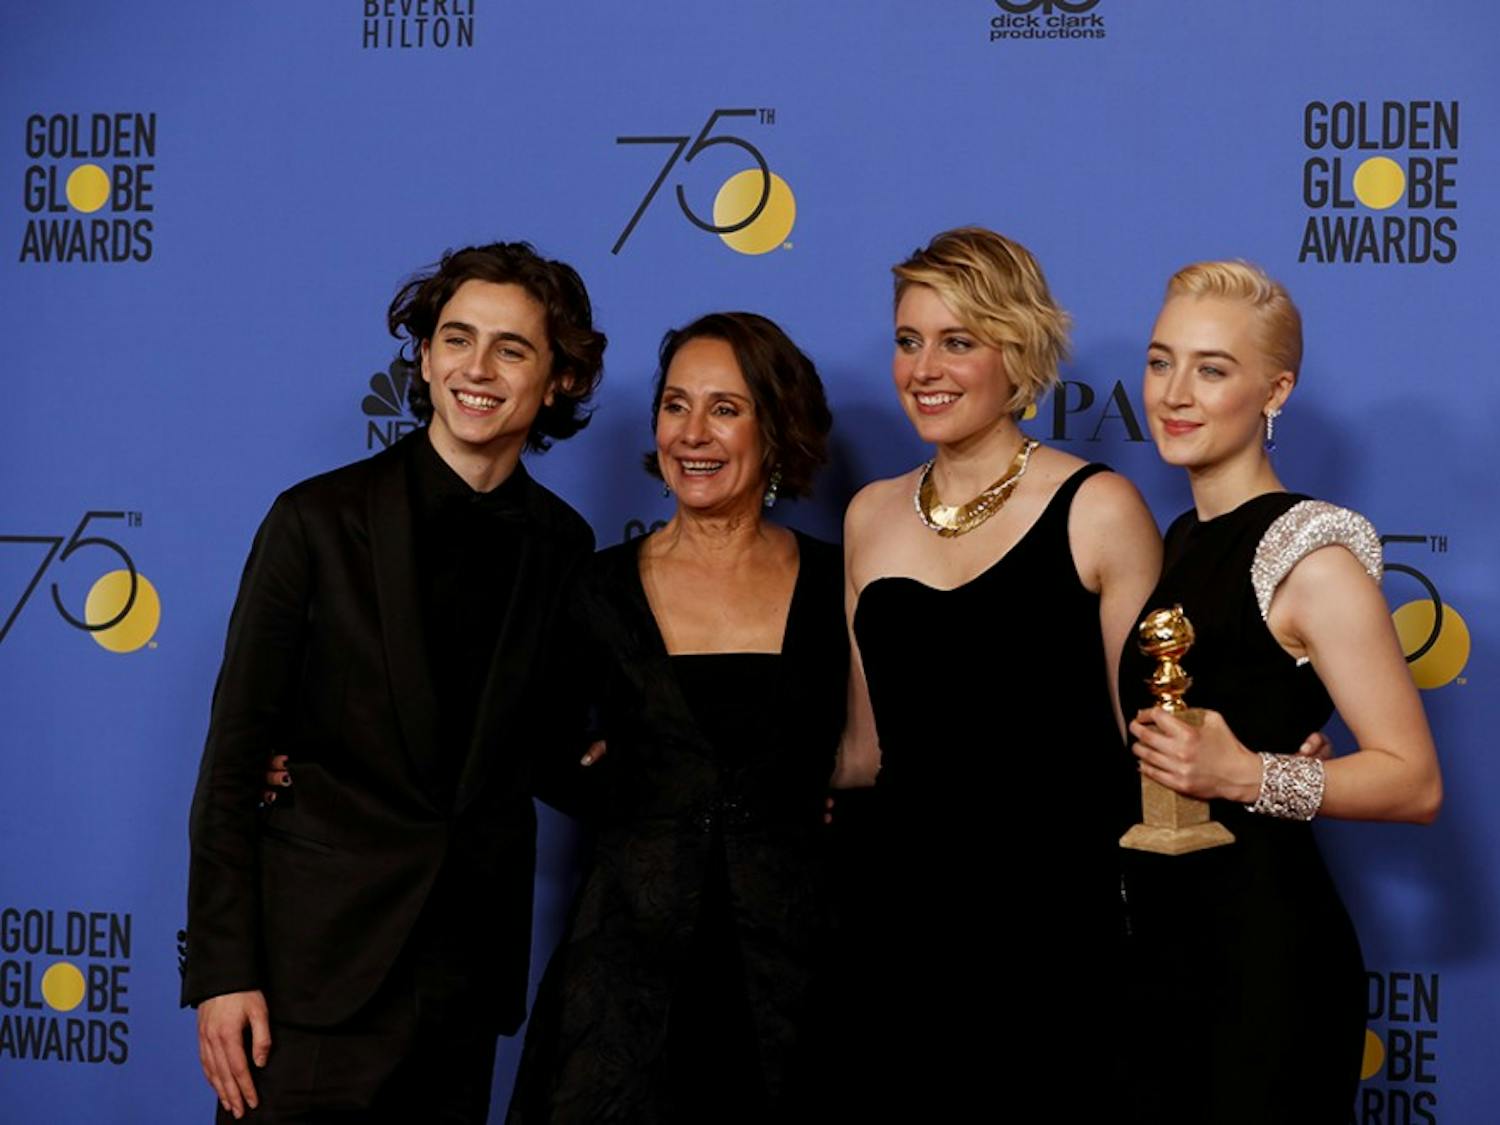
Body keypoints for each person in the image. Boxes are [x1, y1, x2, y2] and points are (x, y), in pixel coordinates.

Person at [182, 241, 606, 1123]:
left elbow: (552, 754)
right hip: (313, 980)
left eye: (512, 348)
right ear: (424, 356)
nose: (477, 369)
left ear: (560, 378)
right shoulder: (317, 520)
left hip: (464, 982)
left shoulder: (564, 546)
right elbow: (233, 761)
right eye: (457, 339)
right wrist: (223, 973)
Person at [835, 227, 1163, 1114]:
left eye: (958, 340)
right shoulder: (869, 516)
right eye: (908, 341)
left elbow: (1150, 744)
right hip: (900, 929)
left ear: (1015, 351)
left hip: (1058, 930)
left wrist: (1271, 755)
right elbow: (865, 750)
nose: (924, 368)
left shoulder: (1098, 508)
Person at [1118, 260, 1442, 1124]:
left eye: (1212, 369)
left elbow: (1414, 780)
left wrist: (1249, 773)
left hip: (1263, 962)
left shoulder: (1311, 555)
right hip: (1159, 949)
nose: (1175, 392)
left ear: (1275, 389)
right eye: (1160, 361)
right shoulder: (1184, 537)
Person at [505, 312, 846, 1123]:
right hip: (625, 980)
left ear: (777, 424)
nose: (694, 433)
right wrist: (636, 796)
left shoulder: (842, 582)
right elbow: (532, 745)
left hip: (802, 979)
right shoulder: (593, 588)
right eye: (676, 404)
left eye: (726, 408)